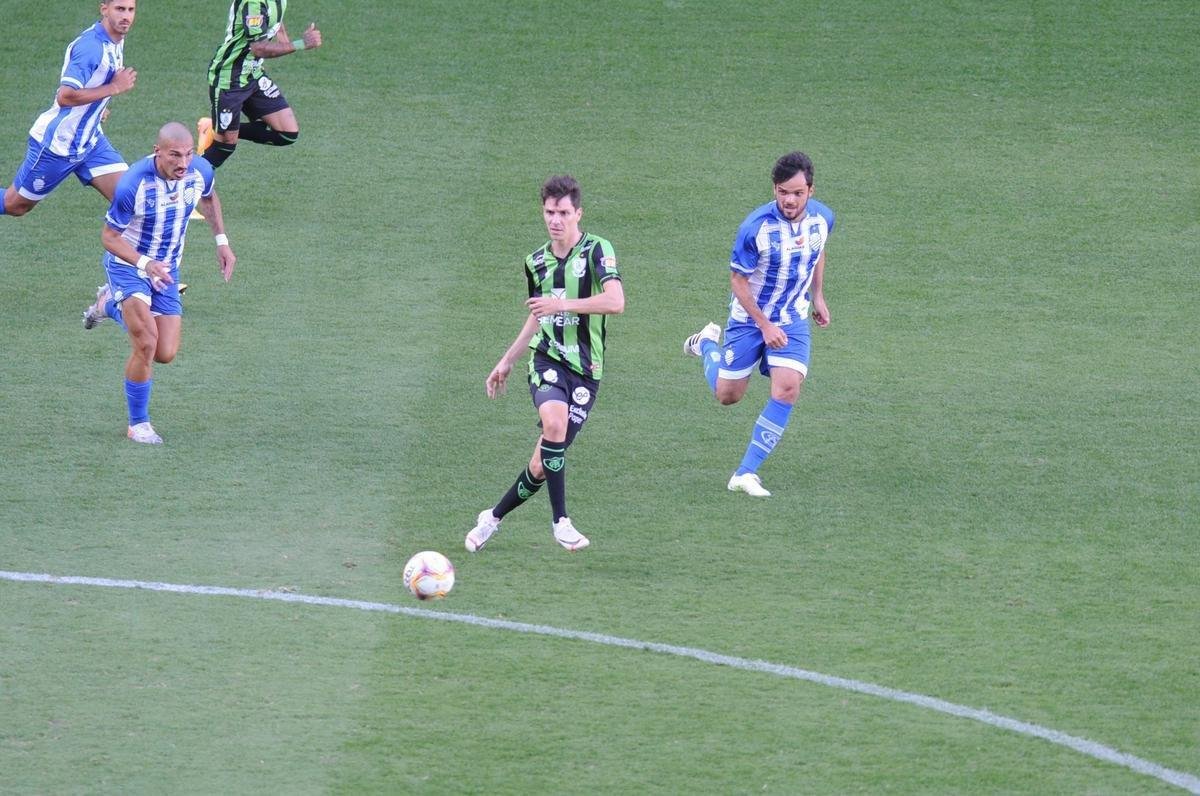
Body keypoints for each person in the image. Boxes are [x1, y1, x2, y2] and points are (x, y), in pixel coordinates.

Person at [465, 175, 625, 553]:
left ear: (578, 214)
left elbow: (615, 302)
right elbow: (538, 316)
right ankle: (561, 522)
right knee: (555, 423)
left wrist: (561, 304)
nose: (556, 220)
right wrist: (507, 360)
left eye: (563, 213)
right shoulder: (535, 262)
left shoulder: (597, 250)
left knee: (540, 465)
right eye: (550, 212)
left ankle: (492, 518)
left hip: (586, 371)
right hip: (547, 358)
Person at [684, 151, 834, 497]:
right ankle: (706, 344)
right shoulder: (755, 228)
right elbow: (738, 282)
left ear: (811, 191)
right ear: (774, 189)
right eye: (783, 192)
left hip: (792, 317)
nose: (790, 200)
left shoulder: (823, 218)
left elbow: (818, 250)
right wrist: (764, 325)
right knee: (728, 395)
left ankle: (745, 473)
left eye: (797, 193)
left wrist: (819, 295)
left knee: (787, 389)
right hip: (750, 320)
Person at [81, 122, 236, 445]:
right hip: (129, 265)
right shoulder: (133, 184)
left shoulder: (199, 171)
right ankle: (138, 424)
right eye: (175, 155)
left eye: (188, 154)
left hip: (166, 270)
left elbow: (209, 198)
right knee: (146, 344)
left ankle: (108, 304)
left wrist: (222, 242)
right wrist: (145, 263)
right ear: (158, 152)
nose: (183, 163)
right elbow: (109, 237)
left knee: (165, 352)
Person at [0, 1, 138, 219]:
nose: (126, 16)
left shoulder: (116, 38)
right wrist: (114, 88)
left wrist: (96, 108)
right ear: (104, 9)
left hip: (90, 142)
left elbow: (92, 82)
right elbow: (65, 96)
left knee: (132, 201)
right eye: (120, 9)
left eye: (130, 10)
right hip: (58, 145)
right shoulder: (91, 48)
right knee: (14, 205)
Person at [195, 1, 323, 170]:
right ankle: (187, 181)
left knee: (287, 133)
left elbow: (273, 18)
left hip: (253, 74)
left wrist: (282, 37)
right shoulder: (253, 3)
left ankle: (214, 128)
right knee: (224, 147)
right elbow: (259, 49)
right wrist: (301, 44)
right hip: (230, 77)